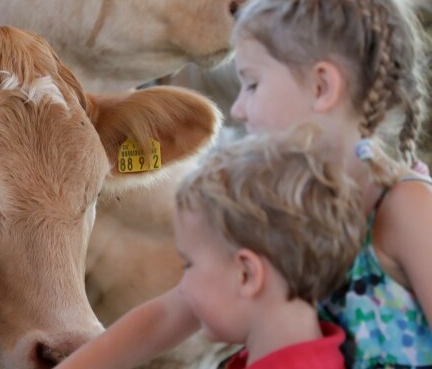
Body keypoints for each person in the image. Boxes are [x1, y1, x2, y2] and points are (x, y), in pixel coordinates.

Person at [227, 0, 432, 367]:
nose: (237, 110)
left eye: (251, 84)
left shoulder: (410, 207)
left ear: (322, 86)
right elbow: (177, 310)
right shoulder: (285, 203)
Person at [56, 126, 365, 369]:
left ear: (246, 275)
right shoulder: (312, 354)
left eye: (189, 264)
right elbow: (161, 317)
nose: (182, 289)